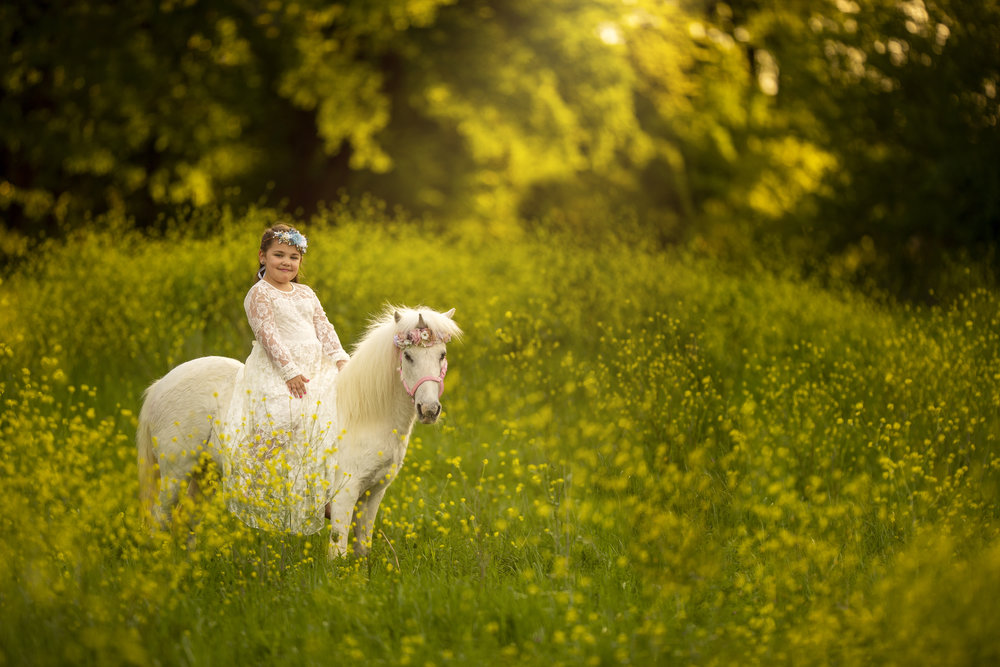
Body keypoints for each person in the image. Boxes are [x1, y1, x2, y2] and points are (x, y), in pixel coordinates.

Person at [221, 224, 350, 534]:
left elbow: (324, 328)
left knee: (330, 424)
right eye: (278, 255)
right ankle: (257, 482)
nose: (286, 262)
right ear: (262, 256)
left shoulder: (306, 293)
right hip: (279, 370)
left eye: (294, 257)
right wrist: (289, 372)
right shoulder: (260, 293)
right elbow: (267, 335)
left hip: (317, 368)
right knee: (284, 419)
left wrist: (341, 358)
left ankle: (326, 493)